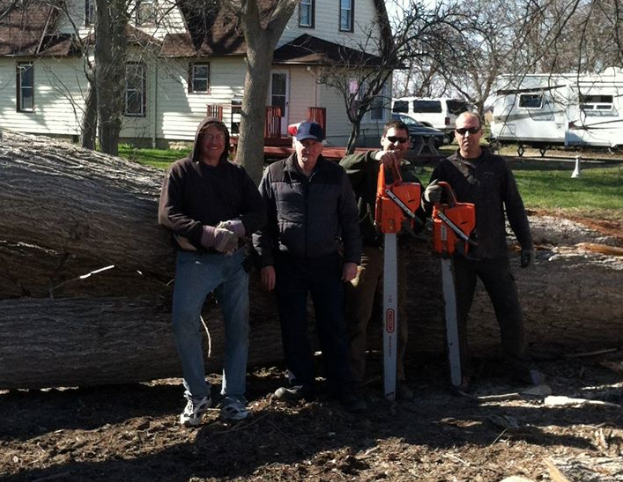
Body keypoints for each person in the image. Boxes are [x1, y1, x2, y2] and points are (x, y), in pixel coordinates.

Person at [422, 111, 543, 392]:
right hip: (458, 256)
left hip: (494, 253)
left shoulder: (497, 166)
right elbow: (428, 211)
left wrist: (526, 243)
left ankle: (521, 369)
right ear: (454, 135)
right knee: (455, 316)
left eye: (472, 130)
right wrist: (429, 199)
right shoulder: (445, 168)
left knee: (510, 313)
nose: (467, 136)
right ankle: (459, 371)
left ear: (481, 132)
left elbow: (514, 205)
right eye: (461, 131)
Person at [158, 117, 266, 426]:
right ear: (198, 140)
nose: (214, 141)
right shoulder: (181, 171)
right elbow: (167, 214)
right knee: (183, 322)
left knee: (238, 328)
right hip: (194, 261)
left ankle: (234, 398)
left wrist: (238, 226)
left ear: (228, 142)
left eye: (220, 136)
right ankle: (197, 394)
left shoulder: (236, 174)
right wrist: (205, 233)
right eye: (208, 136)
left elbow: (259, 212)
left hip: (233, 263)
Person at [252, 121, 366, 412]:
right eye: (304, 143)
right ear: (294, 144)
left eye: (315, 143)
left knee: (333, 324)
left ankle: (341, 385)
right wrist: (265, 262)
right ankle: (300, 382)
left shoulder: (335, 175)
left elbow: (350, 220)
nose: (309, 148)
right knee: (293, 325)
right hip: (287, 263)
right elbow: (260, 223)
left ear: (321, 146)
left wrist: (352, 259)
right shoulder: (275, 173)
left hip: (327, 262)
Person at [339, 119, 426, 400]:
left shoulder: (411, 175)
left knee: (395, 316)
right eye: (392, 139)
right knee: (357, 315)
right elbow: (342, 167)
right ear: (382, 140)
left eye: (402, 140)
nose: (396, 145)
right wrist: (373, 158)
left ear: (409, 144)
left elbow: (419, 219)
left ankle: (395, 377)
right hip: (366, 250)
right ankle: (352, 381)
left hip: (395, 251)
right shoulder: (367, 166)